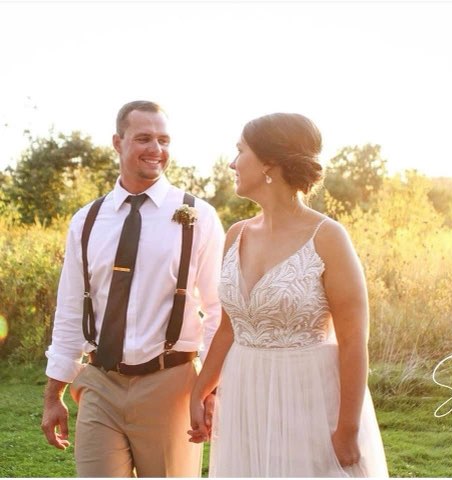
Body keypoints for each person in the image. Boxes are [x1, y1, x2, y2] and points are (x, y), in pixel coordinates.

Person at [188, 112, 389, 477]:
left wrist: (347, 428)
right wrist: (199, 392)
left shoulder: (328, 238)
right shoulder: (236, 235)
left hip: (308, 396)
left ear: (270, 162)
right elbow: (229, 330)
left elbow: (354, 341)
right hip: (245, 392)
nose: (233, 163)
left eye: (240, 151)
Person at [41, 100, 224, 477]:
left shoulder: (198, 216)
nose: (156, 149)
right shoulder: (87, 220)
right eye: (143, 138)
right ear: (117, 142)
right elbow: (71, 309)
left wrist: (209, 390)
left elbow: (220, 310)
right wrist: (53, 393)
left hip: (170, 384)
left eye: (163, 139)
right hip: (100, 384)